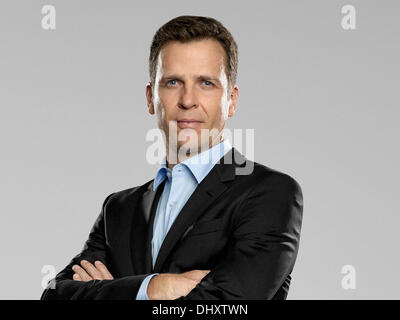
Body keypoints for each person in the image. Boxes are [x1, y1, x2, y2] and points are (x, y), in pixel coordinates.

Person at [41, 15, 303, 300]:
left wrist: (110, 292)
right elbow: (55, 296)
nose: (188, 100)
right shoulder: (118, 210)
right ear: (150, 98)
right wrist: (156, 287)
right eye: (173, 82)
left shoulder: (270, 193)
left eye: (206, 83)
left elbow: (229, 304)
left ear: (232, 101)